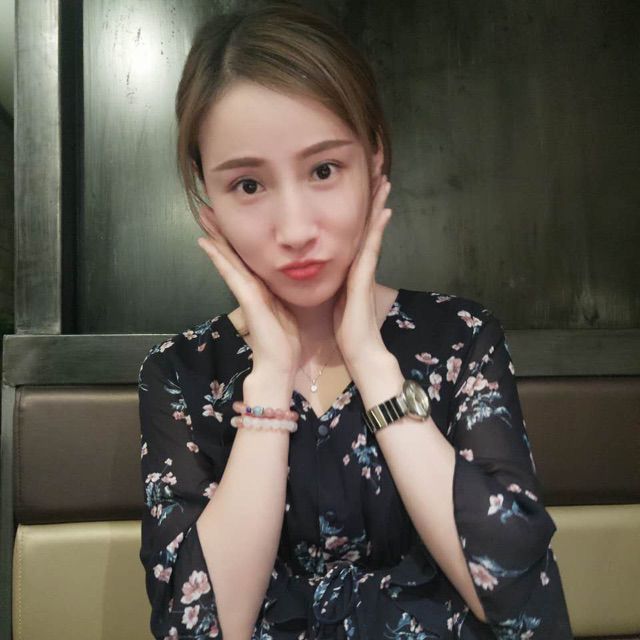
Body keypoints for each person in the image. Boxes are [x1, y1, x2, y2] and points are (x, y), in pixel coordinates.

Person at [137, 2, 574, 639]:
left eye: (323, 170)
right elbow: (198, 627)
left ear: (373, 162)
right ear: (210, 201)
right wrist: (270, 380)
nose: (294, 230)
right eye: (249, 186)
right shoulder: (180, 374)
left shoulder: (460, 337)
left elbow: (517, 597)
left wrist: (372, 362)